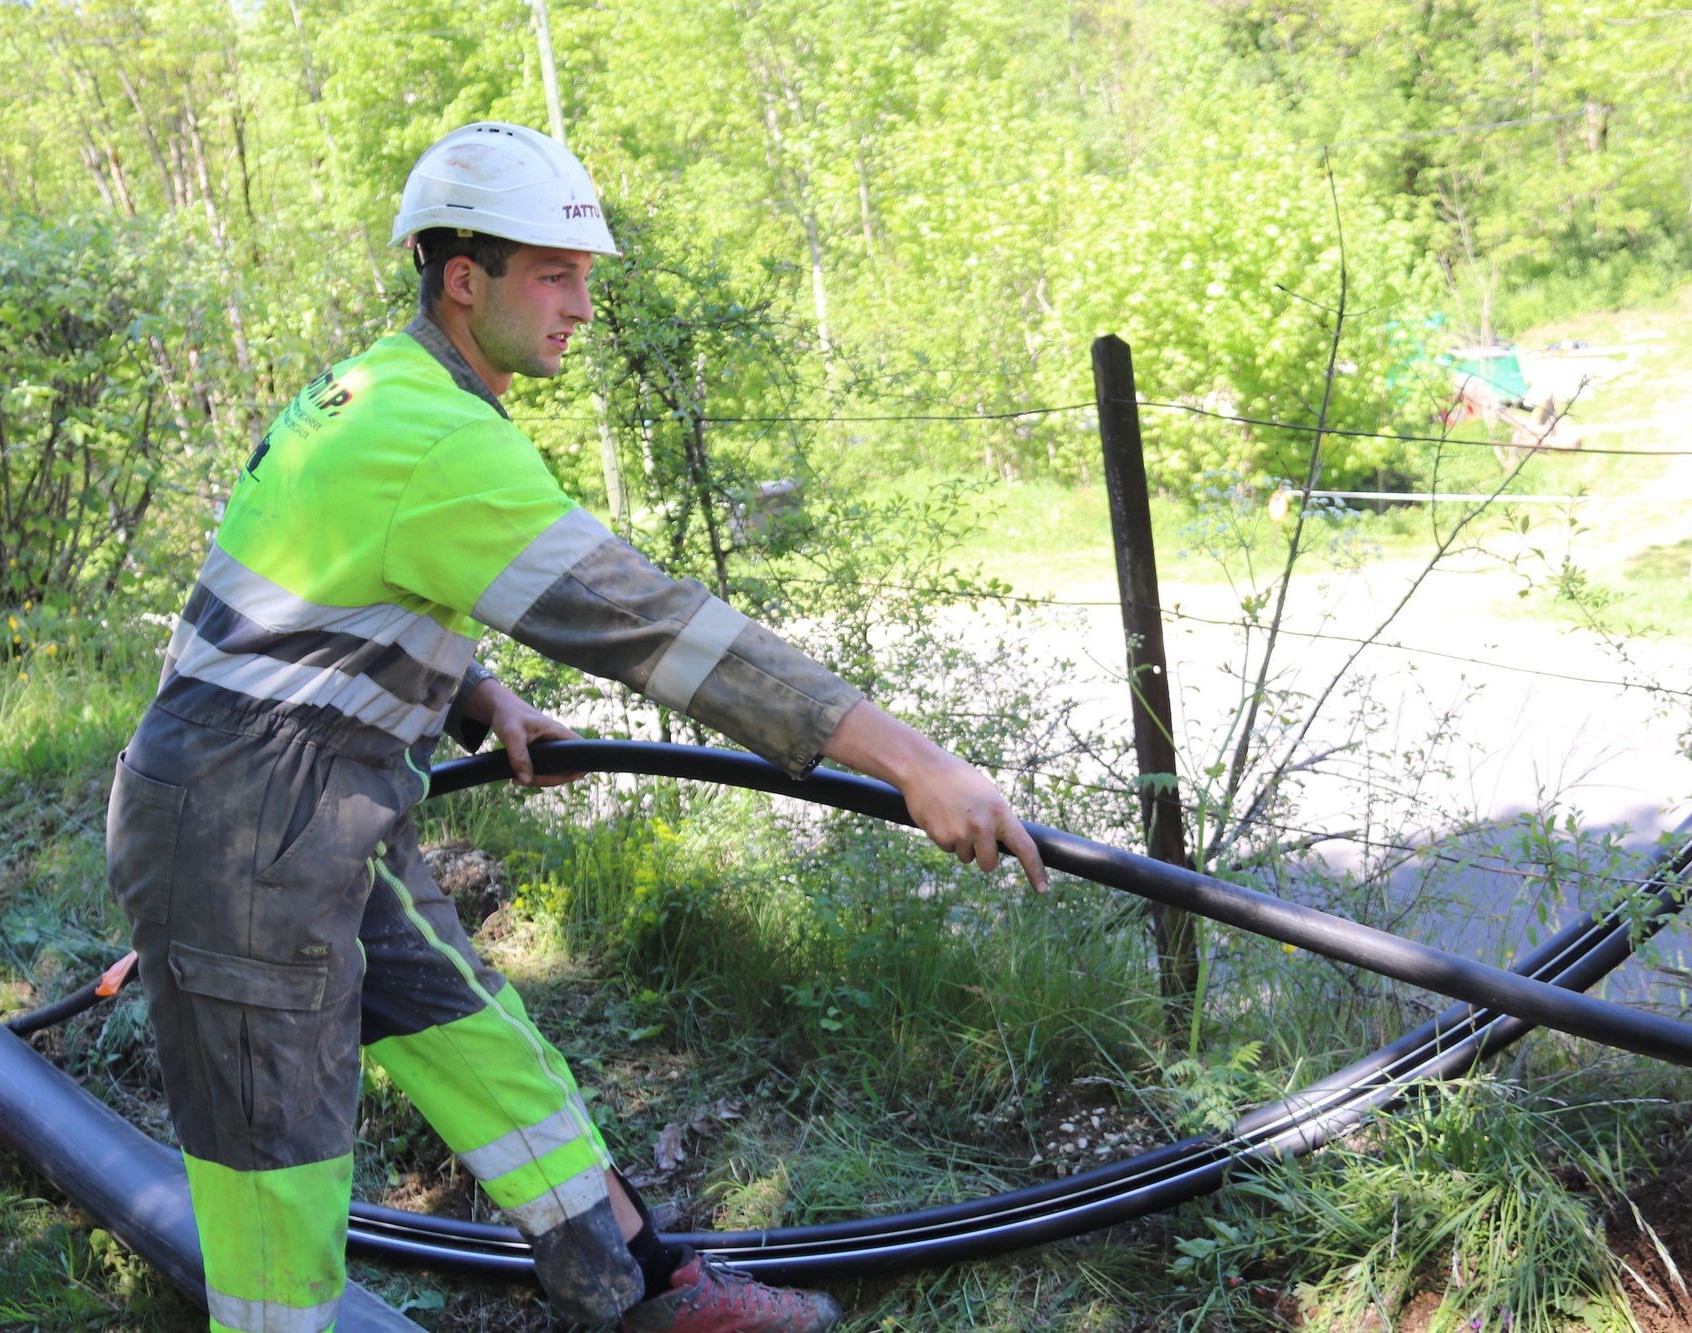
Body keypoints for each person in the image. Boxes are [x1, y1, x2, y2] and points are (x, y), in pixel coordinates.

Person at [106, 120, 1047, 1333]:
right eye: (554, 275)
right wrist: (916, 765)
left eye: (584, 276)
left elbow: (315, 596)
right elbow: (665, 633)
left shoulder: (365, 393)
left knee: (486, 1047)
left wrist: (471, 693)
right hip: (235, 840)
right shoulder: (435, 437)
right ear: (463, 278)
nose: (581, 308)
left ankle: (648, 1292)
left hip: (309, 807)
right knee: (271, 1163)